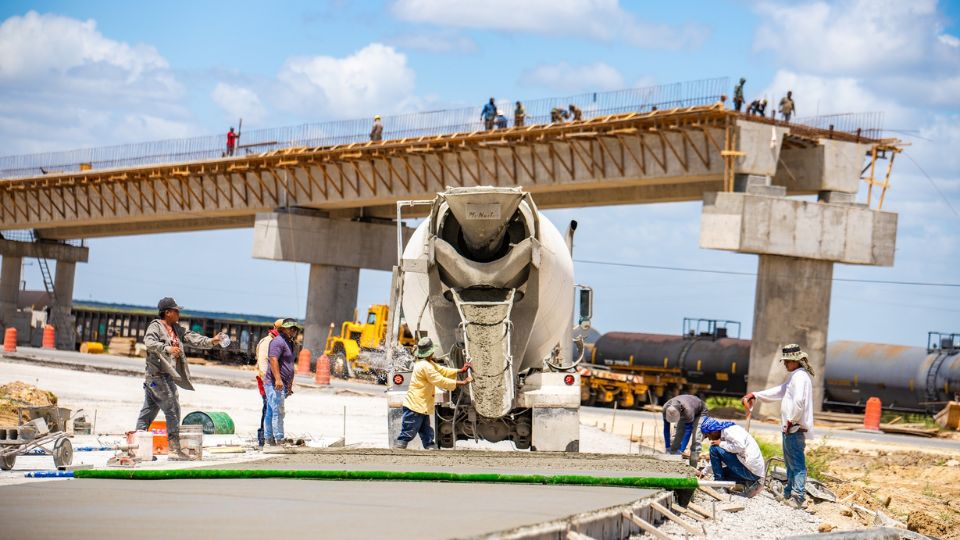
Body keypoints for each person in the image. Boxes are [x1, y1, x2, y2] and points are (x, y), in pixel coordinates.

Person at [137, 297, 222, 459]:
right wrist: (167, 348)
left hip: (165, 376)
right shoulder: (156, 326)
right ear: (167, 312)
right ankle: (174, 449)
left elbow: (193, 338)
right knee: (173, 409)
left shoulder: (176, 329)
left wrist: (212, 341)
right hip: (156, 376)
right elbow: (149, 343)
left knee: (149, 410)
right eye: (176, 310)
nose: (179, 313)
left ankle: (138, 448)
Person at [742, 343, 814, 509]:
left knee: (796, 464)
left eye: (788, 361)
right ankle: (789, 493)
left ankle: (798, 497)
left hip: (794, 428)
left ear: (796, 361)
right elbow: (780, 391)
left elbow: (799, 402)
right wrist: (756, 395)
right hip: (790, 427)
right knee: (790, 464)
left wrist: (792, 420)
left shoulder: (800, 377)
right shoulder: (795, 376)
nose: (786, 364)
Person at [394, 337, 472, 449]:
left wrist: (460, 370)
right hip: (415, 406)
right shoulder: (425, 366)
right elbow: (440, 380)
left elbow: (442, 370)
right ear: (429, 353)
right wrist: (462, 382)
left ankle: (430, 447)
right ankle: (399, 448)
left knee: (426, 431)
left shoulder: (427, 363)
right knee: (408, 431)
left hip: (421, 404)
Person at [700, 417, 765, 497]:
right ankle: (749, 482)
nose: (709, 439)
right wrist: (704, 472)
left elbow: (740, 447)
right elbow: (715, 462)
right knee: (721, 472)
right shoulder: (724, 434)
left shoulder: (730, 431)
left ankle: (718, 485)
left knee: (714, 449)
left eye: (708, 436)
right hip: (753, 472)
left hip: (751, 470)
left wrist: (721, 444)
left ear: (713, 432)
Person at [264, 318, 302, 446]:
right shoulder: (278, 342)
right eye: (291, 328)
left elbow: (289, 364)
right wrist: (278, 379)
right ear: (284, 329)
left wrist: (289, 384)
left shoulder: (290, 343)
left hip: (283, 384)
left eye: (295, 329)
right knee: (278, 411)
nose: (293, 331)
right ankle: (279, 439)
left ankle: (269, 439)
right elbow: (273, 360)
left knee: (271, 411)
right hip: (274, 383)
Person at [254, 319, 283, 448]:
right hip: (266, 380)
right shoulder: (267, 342)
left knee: (270, 408)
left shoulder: (275, 341)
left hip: (270, 380)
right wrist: (268, 381)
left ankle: (266, 438)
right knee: (268, 408)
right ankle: (263, 439)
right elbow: (263, 364)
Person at [662, 394, 708, 464]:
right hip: (685, 410)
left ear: (680, 410)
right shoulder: (665, 408)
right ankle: (671, 463)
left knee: (696, 439)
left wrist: (681, 450)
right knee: (676, 438)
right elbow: (666, 428)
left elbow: (688, 431)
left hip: (700, 412)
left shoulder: (688, 410)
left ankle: (693, 466)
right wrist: (667, 447)